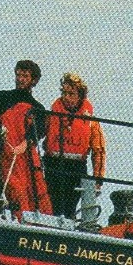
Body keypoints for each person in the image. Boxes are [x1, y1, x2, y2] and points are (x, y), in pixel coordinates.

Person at [0, 60, 53, 220]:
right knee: (11, 188)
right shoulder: (2, 97)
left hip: (26, 157)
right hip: (5, 154)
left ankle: (33, 222)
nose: (20, 79)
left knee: (34, 192)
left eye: (25, 76)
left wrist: (24, 145)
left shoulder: (38, 108)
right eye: (18, 75)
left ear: (34, 80)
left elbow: (39, 132)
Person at [43, 72, 106, 218]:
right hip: (53, 164)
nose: (66, 97)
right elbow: (37, 134)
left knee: (71, 206)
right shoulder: (51, 115)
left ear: (80, 96)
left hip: (76, 167)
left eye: (71, 94)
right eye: (64, 93)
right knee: (53, 206)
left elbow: (99, 150)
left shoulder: (91, 121)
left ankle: (70, 227)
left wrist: (98, 179)